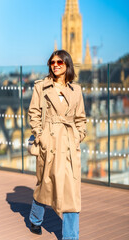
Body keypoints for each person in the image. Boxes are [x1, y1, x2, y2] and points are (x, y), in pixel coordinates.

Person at [28, 50, 87, 240]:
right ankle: (36, 219)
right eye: (52, 62)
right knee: (45, 184)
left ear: (67, 64)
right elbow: (34, 114)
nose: (55, 65)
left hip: (69, 144)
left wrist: (78, 136)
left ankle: (70, 236)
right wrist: (41, 136)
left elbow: (81, 118)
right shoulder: (41, 87)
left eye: (60, 62)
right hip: (49, 141)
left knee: (71, 191)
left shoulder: (76, 90)